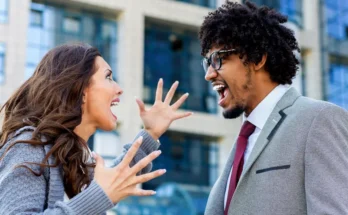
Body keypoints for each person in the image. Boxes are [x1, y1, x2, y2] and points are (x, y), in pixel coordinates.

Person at [0, 43, 192, 214]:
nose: (118, 88)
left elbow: (116, 178)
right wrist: (97, 197)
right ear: (80, 89)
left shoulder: (73, 156)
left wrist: (151, 133)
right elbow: (101, 192)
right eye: (108, 77)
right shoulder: (28, 146)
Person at [199, 1, 348, 214]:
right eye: (208, 63)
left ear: (258, 58)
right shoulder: (242, 141)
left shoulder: (319, 120)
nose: (209, 74)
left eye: (219, 59)